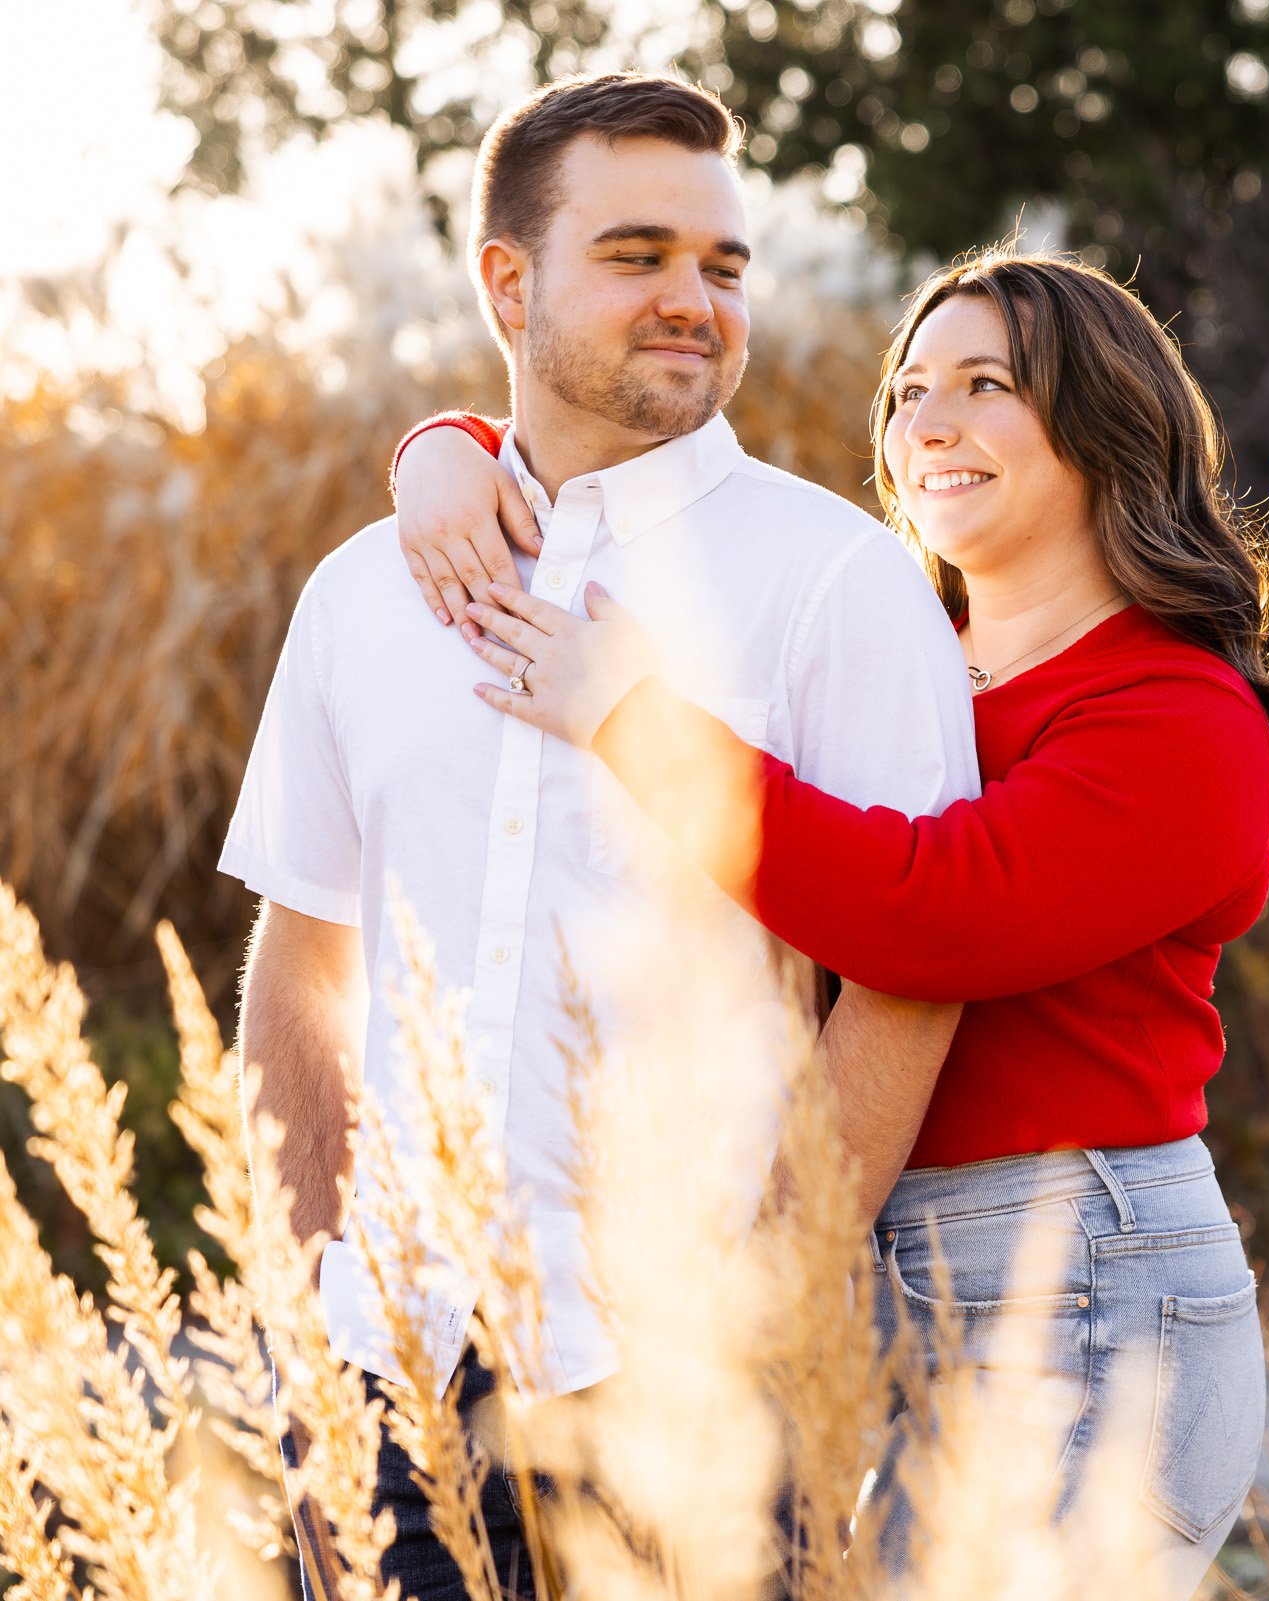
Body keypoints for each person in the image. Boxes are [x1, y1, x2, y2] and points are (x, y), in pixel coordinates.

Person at [386, 250, 1269, 1590]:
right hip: (891, 1287)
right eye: (910, 392)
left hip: (1079, 1282)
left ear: (1106, 425)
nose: (929, 425)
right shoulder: (913, 671)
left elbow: (930, 915)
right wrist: (448, 449)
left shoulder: (1177, 718)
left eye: (986, 386)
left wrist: (635, 719)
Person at [222, 73, 980, 1601]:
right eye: (638, 256)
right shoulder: (362, 596)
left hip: (694, 1398)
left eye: (722, 264)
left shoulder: (838, 579)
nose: (694, 300)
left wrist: (758, 1304)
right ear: (509, 281)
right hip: (388, 1389)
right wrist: (305, 1323)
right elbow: (305, 960)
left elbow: (909, 978)